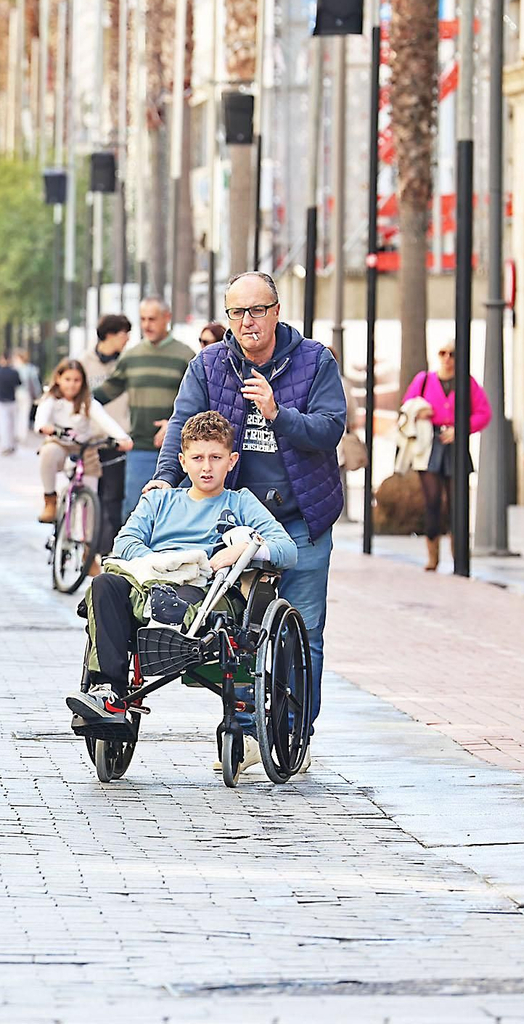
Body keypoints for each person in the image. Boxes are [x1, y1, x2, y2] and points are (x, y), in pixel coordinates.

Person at [143, 271, 345, 755]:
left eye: (258, 310)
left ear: (277, 310)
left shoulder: (315, 362)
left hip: (301, 519)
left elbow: (330, 429)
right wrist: (164, 479)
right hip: (236, 527)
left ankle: (294, 730)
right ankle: (247, 727)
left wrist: (279, 414)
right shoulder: (210, 365)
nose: (248, 321)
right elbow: (183, 426)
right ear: (228, 318)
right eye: (237, 312)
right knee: (236, 631)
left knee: (306, 629)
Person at [67, 411, 296, 763]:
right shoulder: (159, 501)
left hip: (207, 595)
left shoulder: (241, 503)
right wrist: (163, 563)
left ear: (231, 461)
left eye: (216, 458)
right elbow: (126, 542)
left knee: (174, 597)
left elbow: (288, 550)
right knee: (104, 584)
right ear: (182, 461)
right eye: (198, 458)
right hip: (151, 581)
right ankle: (110, 694)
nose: (207, 467)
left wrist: (240, 551)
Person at [93, 297, 195, 521]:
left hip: (179, 452)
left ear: (167, 318)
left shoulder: (186, 356)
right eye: (142, 319)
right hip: (139, 448)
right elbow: (107, 392)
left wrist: (172, 424)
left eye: (152, 319)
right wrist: (70, 397)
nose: (147, 324)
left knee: (177, 514)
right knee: (134, 511)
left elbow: (197, 402)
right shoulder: (131, 357)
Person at [403, 341, 491, 572]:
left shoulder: (467, 382)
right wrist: (421, 412)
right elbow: (407, 406)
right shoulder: (424, 380)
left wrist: (461, 429)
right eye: (443, 353)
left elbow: (484, 413)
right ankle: (432, 557)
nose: (447, 358)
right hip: (429, 445)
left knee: (457, 502)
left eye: (452, 354)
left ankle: (458, 555)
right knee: (432, 502)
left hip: (455, 446)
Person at [34, 359, 132, 528]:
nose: (71, 385)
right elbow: (41, 419)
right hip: (60, 442)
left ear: (83, 382)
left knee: (90, 490)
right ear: (58, 379)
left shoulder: (88, 402)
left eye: (76, 380)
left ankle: (87, 539)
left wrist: (123, 438)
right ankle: (50, 500)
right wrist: (44, 427)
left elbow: (105, 420)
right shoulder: (51, 399)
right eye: (67, 379)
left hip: (85, 446)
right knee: (48, 453)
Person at [80, 314, 132, 556]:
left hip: (118, 441)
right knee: (91, 498)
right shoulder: (83, 363)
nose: (128, 339)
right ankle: (88, 546)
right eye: (124, 334)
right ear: (110, 335)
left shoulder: (126, 363)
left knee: (113, 498)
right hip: (91, 441)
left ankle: (108, 550)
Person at [0, 354, 23, 454]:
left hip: (1, 400)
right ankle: (12, 444)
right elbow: (19, 383)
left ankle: (5, 445)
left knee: (3, 424)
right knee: (12, 424)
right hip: (12, 400)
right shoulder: (14, 372)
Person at [15, 349, 43, 436]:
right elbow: (35, 383)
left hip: (17, 394)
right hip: (26, 394)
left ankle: (17, 433)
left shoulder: (15, 369)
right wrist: (38, 394)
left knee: (17, 414)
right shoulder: (31, 369)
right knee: (24, 414)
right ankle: (22, 434)